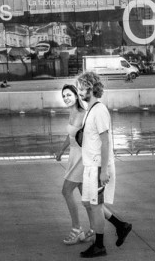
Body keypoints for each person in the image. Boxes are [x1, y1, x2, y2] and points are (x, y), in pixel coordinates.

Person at [75, 71, 132, 257]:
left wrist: (104, 171)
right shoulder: (90, 110)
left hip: (98, 166)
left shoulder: (99, 110)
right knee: (88, 203)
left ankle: (99, 245)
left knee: (96, 206)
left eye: (81, 88)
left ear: (90, 88)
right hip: (90, 165)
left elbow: (106, 141)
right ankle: (121, 225)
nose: (79, 91)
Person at [55, 84, 92, 246]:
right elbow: (70, 135)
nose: (66, 98)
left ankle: (77, 229)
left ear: (77, 96)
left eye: (69, 95)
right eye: (64, 96)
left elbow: (89, 138)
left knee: (66, 191)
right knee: (88, 199)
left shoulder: (83, 114)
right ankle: (93, 231)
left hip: (81, 159)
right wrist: (61, 150)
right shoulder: (73, 113)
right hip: (74, 157)